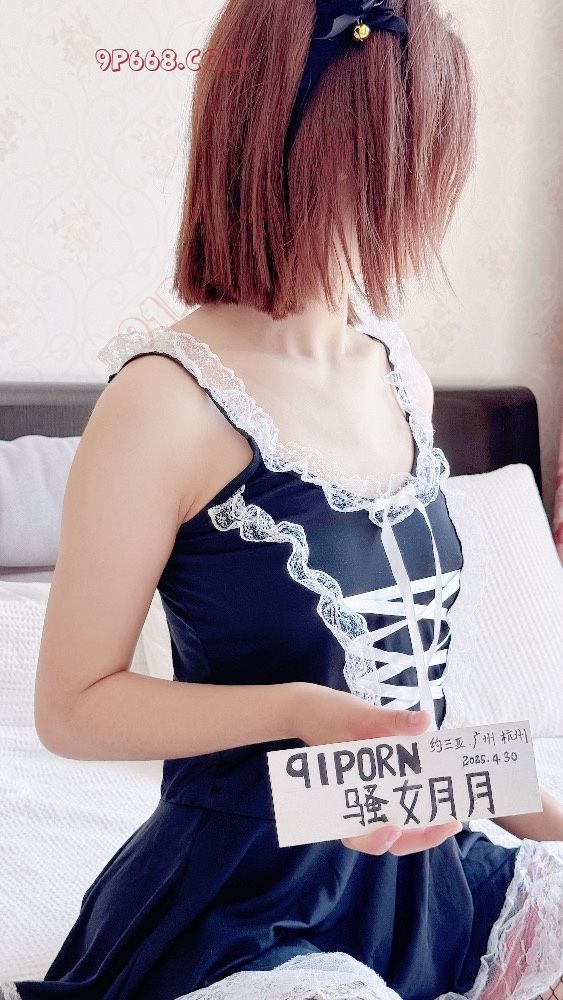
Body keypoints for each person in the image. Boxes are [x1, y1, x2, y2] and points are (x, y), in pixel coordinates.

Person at [4, 2, 563, 999]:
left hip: (422, 875)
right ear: (341, 149)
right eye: (420, 149)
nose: (435, 186)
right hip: (245, 894)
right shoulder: (162, 401)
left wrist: (543, 815)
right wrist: (299, 710)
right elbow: (71, 708)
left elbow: (416, 718)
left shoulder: (396, 371)